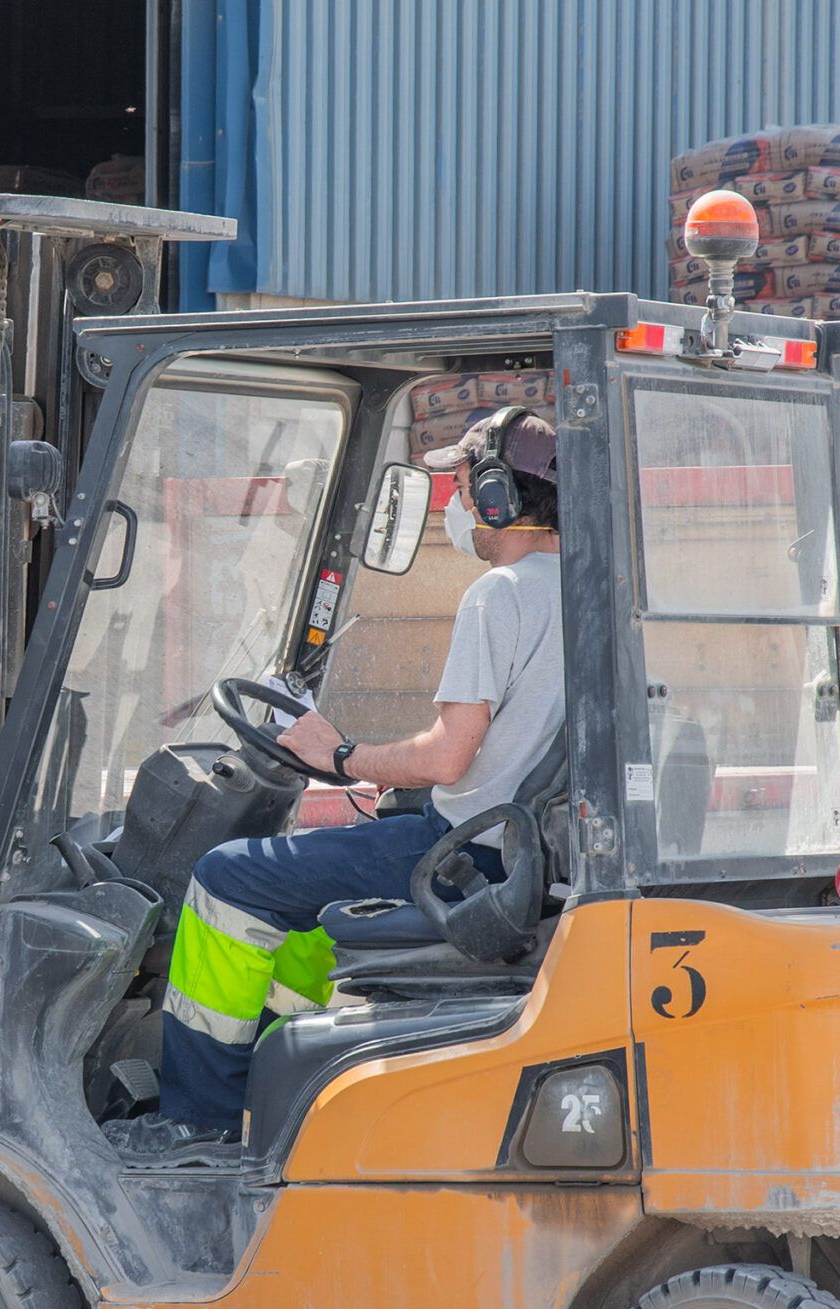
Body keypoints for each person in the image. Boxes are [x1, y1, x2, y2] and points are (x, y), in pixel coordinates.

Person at [103, 407, 568, 1163]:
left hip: (459, 853)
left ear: (495, 497)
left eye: (457, 485)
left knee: (224, 879)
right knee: (307, 902)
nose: (450, 505)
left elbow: (448, 756)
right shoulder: (580, 592)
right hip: (507, 852)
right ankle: (283, 1084)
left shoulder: (501, 594)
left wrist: (340, 752)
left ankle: (199, 1119)